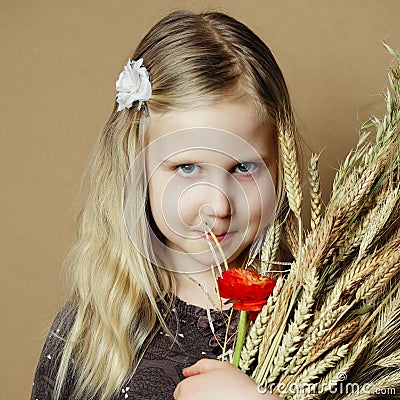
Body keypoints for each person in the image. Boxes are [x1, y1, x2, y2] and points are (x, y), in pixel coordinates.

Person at [30, 9, 300, 400]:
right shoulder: (92, 331)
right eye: (187, 167)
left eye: (243, 166)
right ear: (138, 169)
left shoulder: (325, 308)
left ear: (281, 165)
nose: (218, 204)